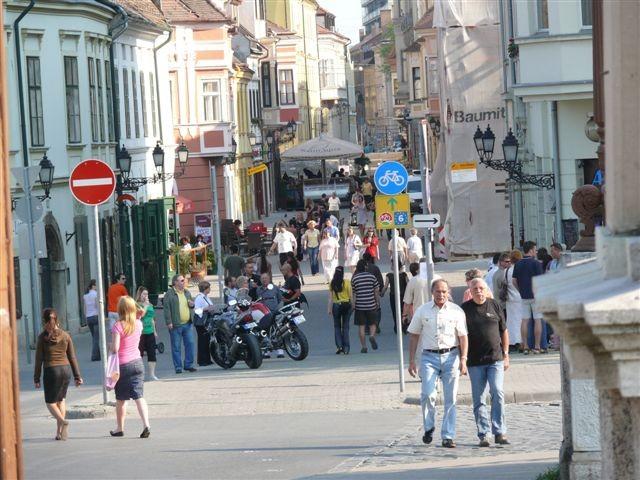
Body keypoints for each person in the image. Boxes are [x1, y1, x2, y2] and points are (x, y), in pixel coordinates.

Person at [407, 279, 469, 448]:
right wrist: (412, 360)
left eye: (444, 291)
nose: (441, 295)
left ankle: (448, 436)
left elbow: (463, 337)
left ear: (448, 292)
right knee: (427, 394)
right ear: (432, 292)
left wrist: (464, 359)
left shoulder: (456, 311)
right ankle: (428, 427)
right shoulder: (423, 310)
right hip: (429, 357)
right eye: (438, 291)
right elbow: (414, 335)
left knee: (451, 398)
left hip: (451, 355)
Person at [462, 278, 510, 447]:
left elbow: (504, 331)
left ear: (486, 289)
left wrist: (506, 354)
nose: (479, 291)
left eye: (481, 288)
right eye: (475, 288)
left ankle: (500, 431)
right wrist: (463, 358)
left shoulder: (494, 305)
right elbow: (461, 336)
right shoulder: (465, 309)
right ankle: (484, 434)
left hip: (495, 359)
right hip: (475, 361)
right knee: (479, 398)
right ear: (470, 291)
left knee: (497, 392)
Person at [34, 308, 83, 441]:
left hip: (52, 371)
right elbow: (72, 357)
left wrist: (36, 378)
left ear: (44, 321)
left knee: (50, 403)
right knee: (61, 400)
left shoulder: (42, 338)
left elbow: (38, 360)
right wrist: (77, 376)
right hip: (65, 370)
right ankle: (59, 433)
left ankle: (63, 421)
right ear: (57, 320)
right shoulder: (65, 335)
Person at [109, 296, 150, 438]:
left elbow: (115, 348)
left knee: (121, 399)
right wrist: (137, 307)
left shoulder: (118, 326)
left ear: (119, 309)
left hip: (123, 365)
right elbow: (141, 312)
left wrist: (110, 346)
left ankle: (119, 428)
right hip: (138, 363)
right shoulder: (138, 324)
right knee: (139, 396)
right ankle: (146, 425)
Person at [512, 241, 544, 354]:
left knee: (524, 321)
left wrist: (520, 290)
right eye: (535, 249)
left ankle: (525, 346)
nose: (536, 251)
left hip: (524, 296)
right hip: (536, 296)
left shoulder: (518, 264)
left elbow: (514, 280)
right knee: (537, 320)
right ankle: (537, 346)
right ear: (530, 250)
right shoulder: (536, 263)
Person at [163, 275, 197, 374]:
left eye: (184, 280)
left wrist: (192, 305)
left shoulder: (187, 292)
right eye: (182, 280)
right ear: (175, 282)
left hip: (187, 324)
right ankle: (178, 367)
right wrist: (169, 322)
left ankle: (188, 365)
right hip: (175, 325)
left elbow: (191, 304)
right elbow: (166, 309)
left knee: (190, 344)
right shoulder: (169, 294)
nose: (184, 282)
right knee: (176, 347)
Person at [351, 259, 381, 353]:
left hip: (359, 306)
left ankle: (364, 346)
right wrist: (377, 302)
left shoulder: (355, 278)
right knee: (373, 324)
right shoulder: (371, 277)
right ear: (365, 267)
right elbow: (376, 291)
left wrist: (353, 305)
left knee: (361, 327)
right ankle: (372, 335)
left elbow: (353, 293)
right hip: (371, 304)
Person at [135, 287, 159, 381]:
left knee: (151, 353)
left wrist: (155, 330)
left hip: (150, 331)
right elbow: (142, 315)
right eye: (144, 294)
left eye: (147, 294)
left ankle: (152, 374)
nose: (146, 296)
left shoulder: (150, 305)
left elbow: (153, 318)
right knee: (139, 353)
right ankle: (138, 375)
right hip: (140, 332)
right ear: (140, 294)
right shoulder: (137, 304)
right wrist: (145, 305)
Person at [328, 266, 352, 354]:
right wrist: (353, 306)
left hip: (336, 306)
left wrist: (329, 309)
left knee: (337, 326)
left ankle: (339, 346)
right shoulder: (347, 282)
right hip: (346, 305)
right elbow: (351, 296)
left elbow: (330, 298)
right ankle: (346, 348)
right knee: (345, 327)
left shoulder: (332, 283)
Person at [381, 262, 410, 334]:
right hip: (403, 295)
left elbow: (386, 286)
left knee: (395, 311)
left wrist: (382, 293)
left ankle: (397, 326)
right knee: (404, 311)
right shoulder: (404, 275)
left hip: (393, 296)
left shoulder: (389, 275)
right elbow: (408, 284)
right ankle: (404, 326)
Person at [193, 281, 215, 367]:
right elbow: (196, 310)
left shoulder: (206, 297)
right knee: (202, 341)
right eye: (209, 288)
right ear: (205, 289)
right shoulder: (199, 298)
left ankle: (207, 359)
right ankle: (202, 360)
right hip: (201, 322)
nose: (210, 289)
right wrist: (205, 309)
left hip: (207, 321)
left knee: (207, 340)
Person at [83, 279, 100, 361]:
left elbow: (84, 308)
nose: (97, 286)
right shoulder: (96, 294)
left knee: (94, 337)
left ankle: (98, 355)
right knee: (96, 338)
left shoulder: (85, 296)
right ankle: (94, 356)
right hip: (95, 316)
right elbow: (97, 305)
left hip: (89, 317)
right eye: (96, 285)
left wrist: (86, 317)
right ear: (93, 286)